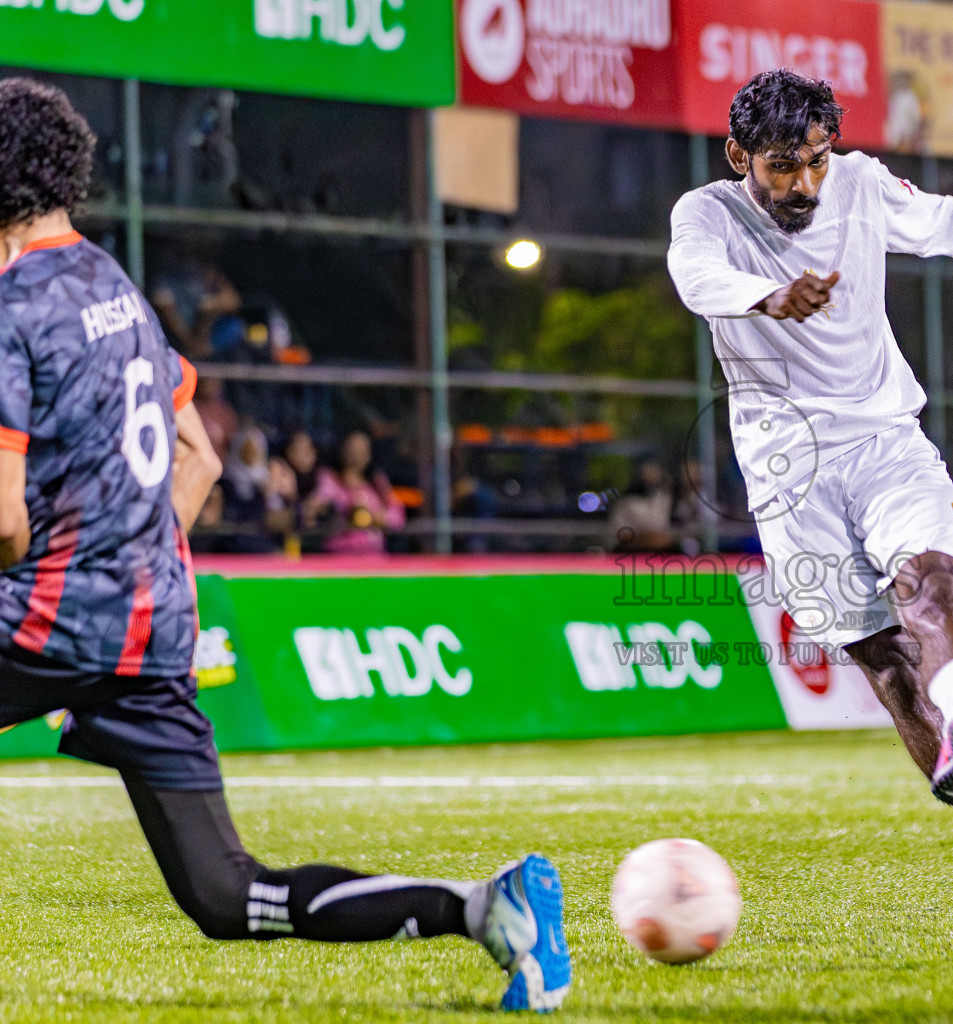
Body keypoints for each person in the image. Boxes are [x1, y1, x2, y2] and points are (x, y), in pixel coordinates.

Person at [0, 78, 570, 1012]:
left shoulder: (14, 305)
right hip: (149, 631)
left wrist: (74, 581)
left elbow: (5, 524)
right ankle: (483, 909)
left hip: (50, 618)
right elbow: (202, 458)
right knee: (229, 895)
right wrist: (127, 568)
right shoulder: (120, 292)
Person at [667, 69, 953, 941]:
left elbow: (950, 225)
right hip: (787, 474)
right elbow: (693, 275)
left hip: (884, 440)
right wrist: (767, 296)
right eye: (785, 165)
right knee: (891, 669)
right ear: (739, 154)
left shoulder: (858, 184)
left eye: (815, 161)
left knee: (928, 583)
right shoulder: (707, 212)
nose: (805, 183)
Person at [305, 430, 406, 554]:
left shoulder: (377, 482)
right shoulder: (329, 479)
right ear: (342, 450)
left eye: (362, 450)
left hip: (374, 557)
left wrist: (375, 517)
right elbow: (316, 506)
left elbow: (397, 518)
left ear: (369, 454)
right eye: (352, 448)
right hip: (338, 556)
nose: (356, 454)